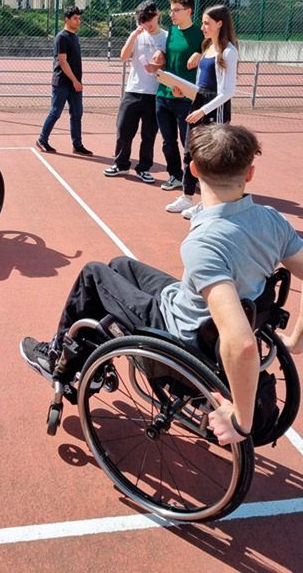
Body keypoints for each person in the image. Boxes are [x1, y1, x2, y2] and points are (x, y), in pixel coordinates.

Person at [20, 123, 303, 446]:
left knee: (93, 274)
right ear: (249, 173)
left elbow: (241, 342)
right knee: (120, 265)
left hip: (183, 335)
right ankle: (89, 361)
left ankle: (59, 358)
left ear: (193, 170)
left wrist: (241, 420)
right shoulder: (272, 220)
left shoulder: (205, 243)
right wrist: (296, 342)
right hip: (198, 309)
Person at [166, 5, 239, 219]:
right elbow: (201, 85)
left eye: (207, 23)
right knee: (190, 152)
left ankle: (207, 203)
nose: (203, 27)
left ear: (220, 24)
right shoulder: (207, 47)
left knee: (210, 157)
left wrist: (203, 110)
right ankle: (187, 196)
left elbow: (227, 92)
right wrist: (185, 93)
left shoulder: (229, 51)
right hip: (199, 104)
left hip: (215, 109)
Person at [104, 0, 167, 183]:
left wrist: (157, 66)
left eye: (149, 20)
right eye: (142, 21)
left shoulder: (166, 37)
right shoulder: (138, 35)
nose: (146, 24)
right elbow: (123, 56)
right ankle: (121, 164)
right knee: (123, 129)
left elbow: (169, 64)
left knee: (149, 134)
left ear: (157, 15)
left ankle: (144, 168)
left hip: (154, 93)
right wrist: (134, 35)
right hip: (133, 90)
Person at [155, 0, 203, 191]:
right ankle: (175, 176)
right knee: (168, 141)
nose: (172, 14)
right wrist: (161, 53)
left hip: (185, 98)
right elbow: (171, 55)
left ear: (188, 11)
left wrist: (200, 54)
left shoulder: (200, 33)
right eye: (171, 10)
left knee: (188, 141)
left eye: (176, 10)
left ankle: (193, 177)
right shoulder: (172, 32)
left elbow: (215, 53)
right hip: (163, 94)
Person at [36, 5, 93, 156]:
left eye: (79, 19)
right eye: (75, 19)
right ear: (67, 19)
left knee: (77, 114)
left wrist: (76, 81)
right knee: (56, 112)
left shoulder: (75, 37)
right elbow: (63, 61)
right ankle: (42, 139)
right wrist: (75, 80)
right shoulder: (61, 37)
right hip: (62, 82)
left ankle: (77, 145)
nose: (78, 21)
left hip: (75, 84)